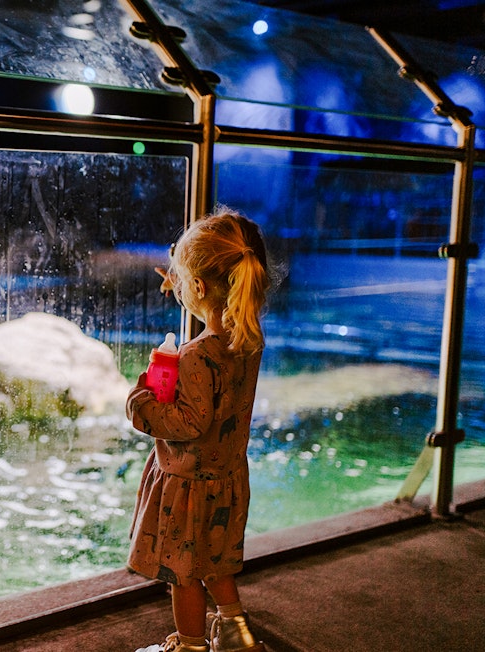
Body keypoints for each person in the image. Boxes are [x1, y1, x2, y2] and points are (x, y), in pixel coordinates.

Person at [128, 209, 272, 652]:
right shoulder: (247, 340)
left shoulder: (195, 355)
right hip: (226, 480)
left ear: (201, 287)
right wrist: (184, 284)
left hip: (189, 488)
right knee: (216, 563)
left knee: (184, 573)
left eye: (183, 279)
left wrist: (142, 404)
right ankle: (235, 631)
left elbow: (190, 423)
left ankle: (189, 645)